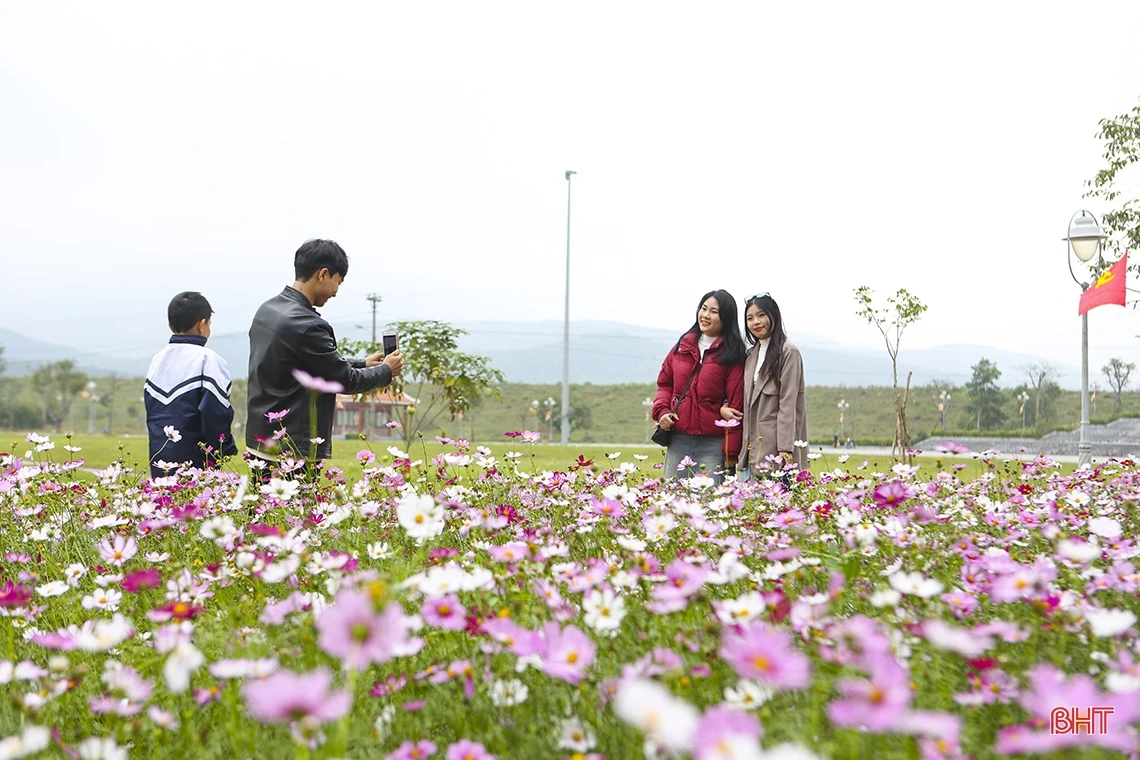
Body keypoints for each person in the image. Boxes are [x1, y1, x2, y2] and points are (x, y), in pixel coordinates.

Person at [246, 239, 404, 464]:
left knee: (262, 500)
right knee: (296, 501)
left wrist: (363, 363)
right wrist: (387, 370)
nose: (335, 293)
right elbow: (345, 380)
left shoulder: (267, 310)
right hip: (291, 449)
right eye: (337, 282)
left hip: (260, 442)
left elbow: (307, 360)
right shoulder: (308, 324)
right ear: (323, 274)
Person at [652, 290, 746, 482]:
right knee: (672, 501)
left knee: (711, 505)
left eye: (713, 311)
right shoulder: (682, 346)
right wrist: (662, 411)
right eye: (703, 309)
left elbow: (736, 407)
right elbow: (665, 383)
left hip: (714, 444)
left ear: (726, 318)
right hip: (678, 439)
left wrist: (731, 451)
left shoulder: (733, 354)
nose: (705, 315)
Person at [144, 292, 239, 478]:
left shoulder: (157, 360)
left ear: (170, 326)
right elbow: (215, 414)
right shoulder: (209, 360)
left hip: (160, 461)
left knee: (164, 505)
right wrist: (224, 448)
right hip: (197, 464)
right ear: (202, 325)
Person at [720, 292, 808, 478]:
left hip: (776, 450)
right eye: (750, 318)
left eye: (761, 315)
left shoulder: (788, 353)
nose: (755, 322)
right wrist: (725, 407)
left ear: (773, 315)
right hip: (750, 449)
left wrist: (785, 448)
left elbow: (788, 403)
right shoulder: (751, 355)